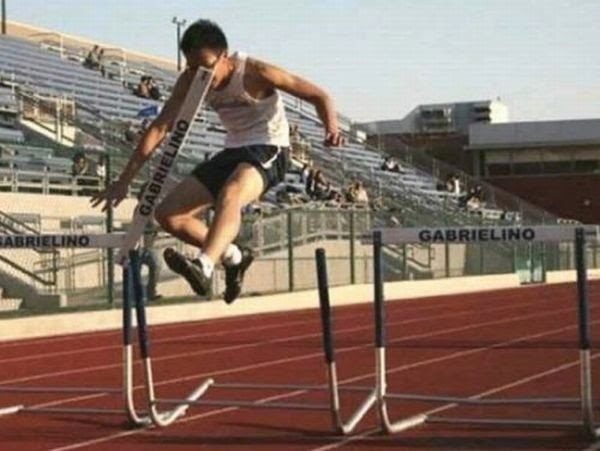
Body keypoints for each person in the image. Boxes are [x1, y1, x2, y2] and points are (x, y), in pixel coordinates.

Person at [91, 19, 342, 304]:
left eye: (206, 67)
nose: (201, 75)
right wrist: (124, 181)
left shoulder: (255, 72)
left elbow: (318, 95)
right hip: (233, 149)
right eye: (192, 67)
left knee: (231, 192)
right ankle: (234, 256)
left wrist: (331, 128)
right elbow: (160, 127)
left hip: (270, 147)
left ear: (224, 56)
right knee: (169, 215)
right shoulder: (191, 80)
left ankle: (205, 265)